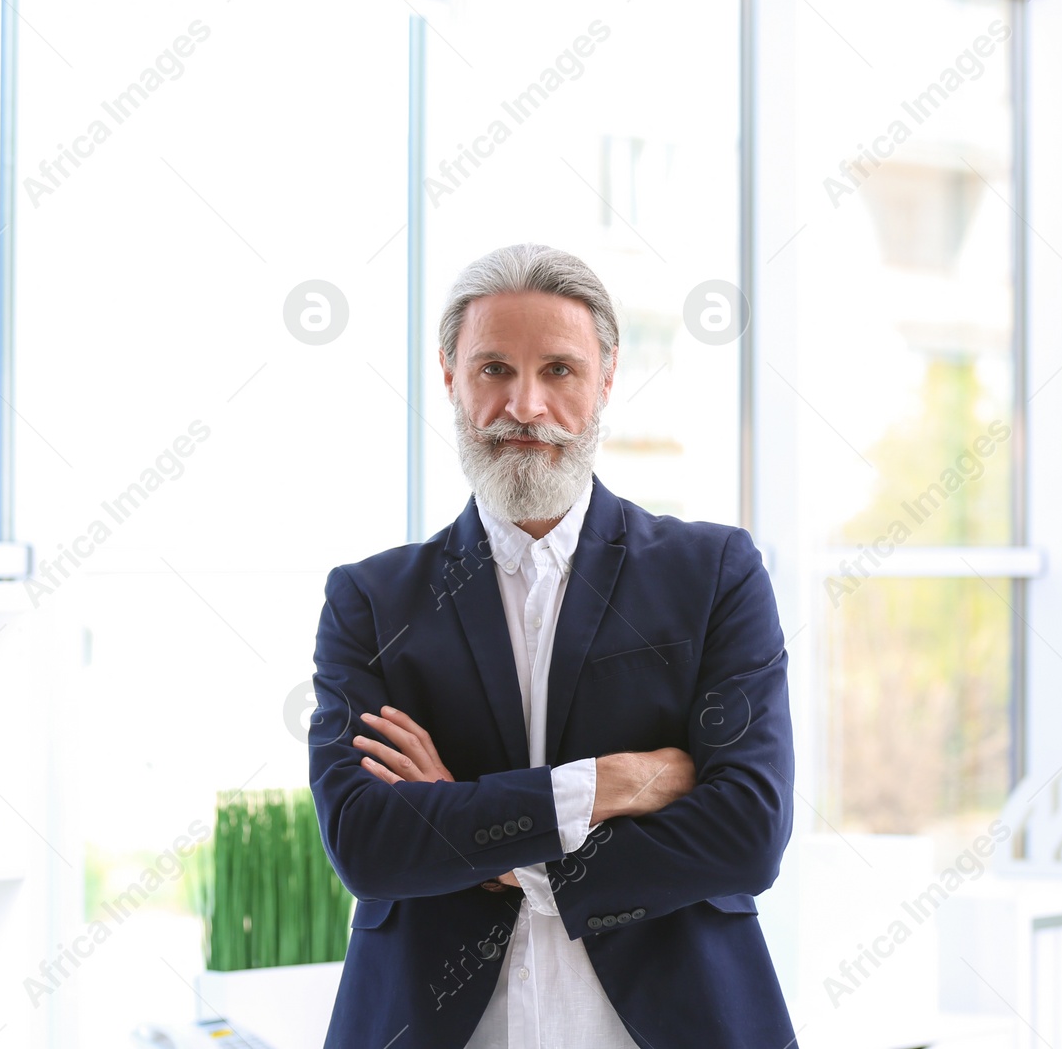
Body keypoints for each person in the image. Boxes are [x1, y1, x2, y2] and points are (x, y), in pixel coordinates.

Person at [308, 243, 797, 1048]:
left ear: (607, 379)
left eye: (559, 371)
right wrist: (617, 782)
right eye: (494, 368)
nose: (525, 404)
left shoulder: (714, 574)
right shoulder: (371, 600)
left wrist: (484, 844)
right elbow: (369, 844)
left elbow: (747, 831)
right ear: (450, 378)